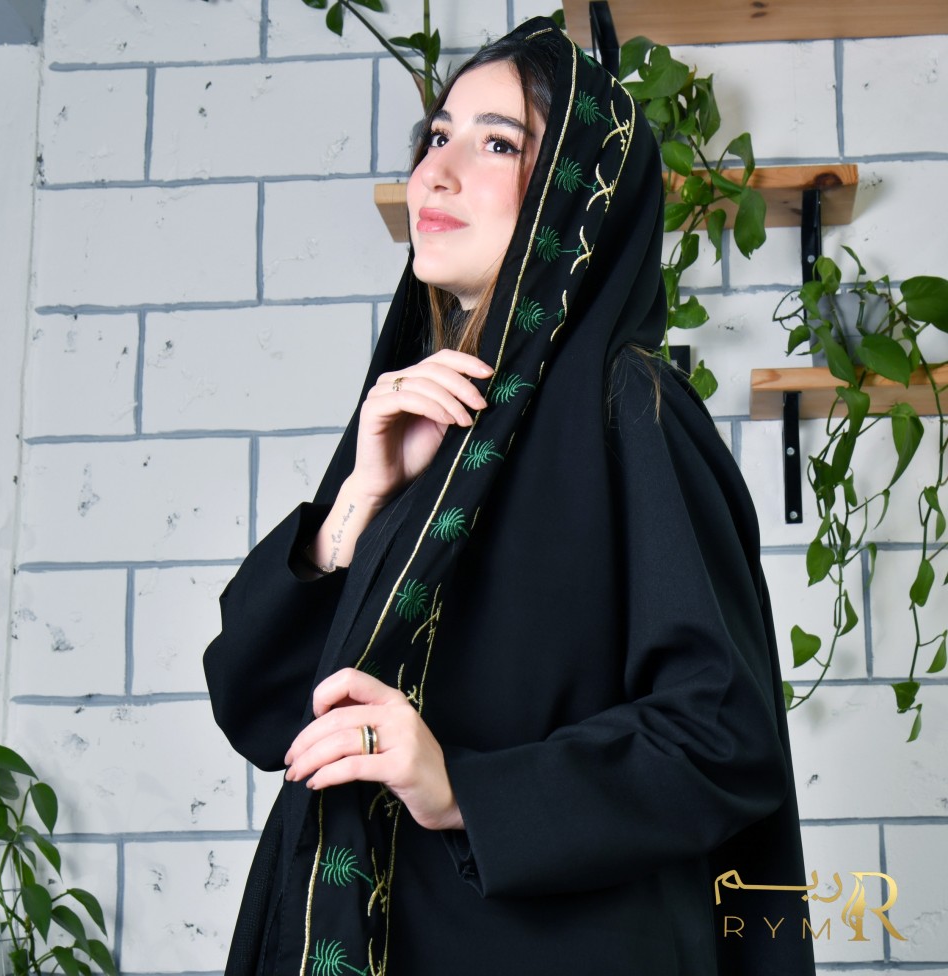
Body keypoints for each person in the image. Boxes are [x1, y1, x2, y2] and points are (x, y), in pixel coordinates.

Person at [204, 17, 815, 976]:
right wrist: (360, 499)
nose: (437, 174)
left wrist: (460, 790)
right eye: (436, 136)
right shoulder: (429, 428)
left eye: (497, 144)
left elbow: (723, 737)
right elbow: (269, 713)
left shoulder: (630, 408)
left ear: (579, 194)